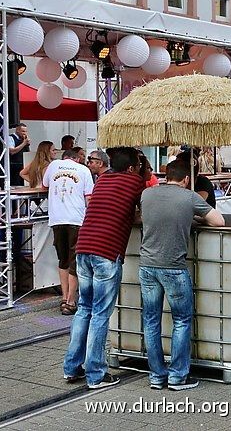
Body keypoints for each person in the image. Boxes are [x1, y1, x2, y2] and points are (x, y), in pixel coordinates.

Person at [62, 147, 146, 389]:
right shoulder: (134, 182)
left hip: (84, 249)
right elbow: (147, 208)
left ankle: (71, 367)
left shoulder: (103, 180)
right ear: (131, 168)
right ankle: (96, 373)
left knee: (84, 310)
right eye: (138, 165)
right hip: (106, 253)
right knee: (100, 314)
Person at [139, 159, 225, 390]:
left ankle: (156, 376)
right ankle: (177, 377)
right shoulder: (189, 197)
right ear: (187, 180)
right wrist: (193, 217)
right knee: (182, 320)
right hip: (174, 268)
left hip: (147, 266)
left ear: (167, 175)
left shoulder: (147, 194)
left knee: (150, 320)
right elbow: (219, 221)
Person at [42, 149, 95, 315]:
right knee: (75, 261)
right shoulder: (84, 170)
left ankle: (64, 298)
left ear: (64, 158)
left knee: (62, 259)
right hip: (77, 219)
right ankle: (71, 301)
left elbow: (44, 185)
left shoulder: (53, 165)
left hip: (57, 218)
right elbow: (89, 198)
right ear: (76, 159)